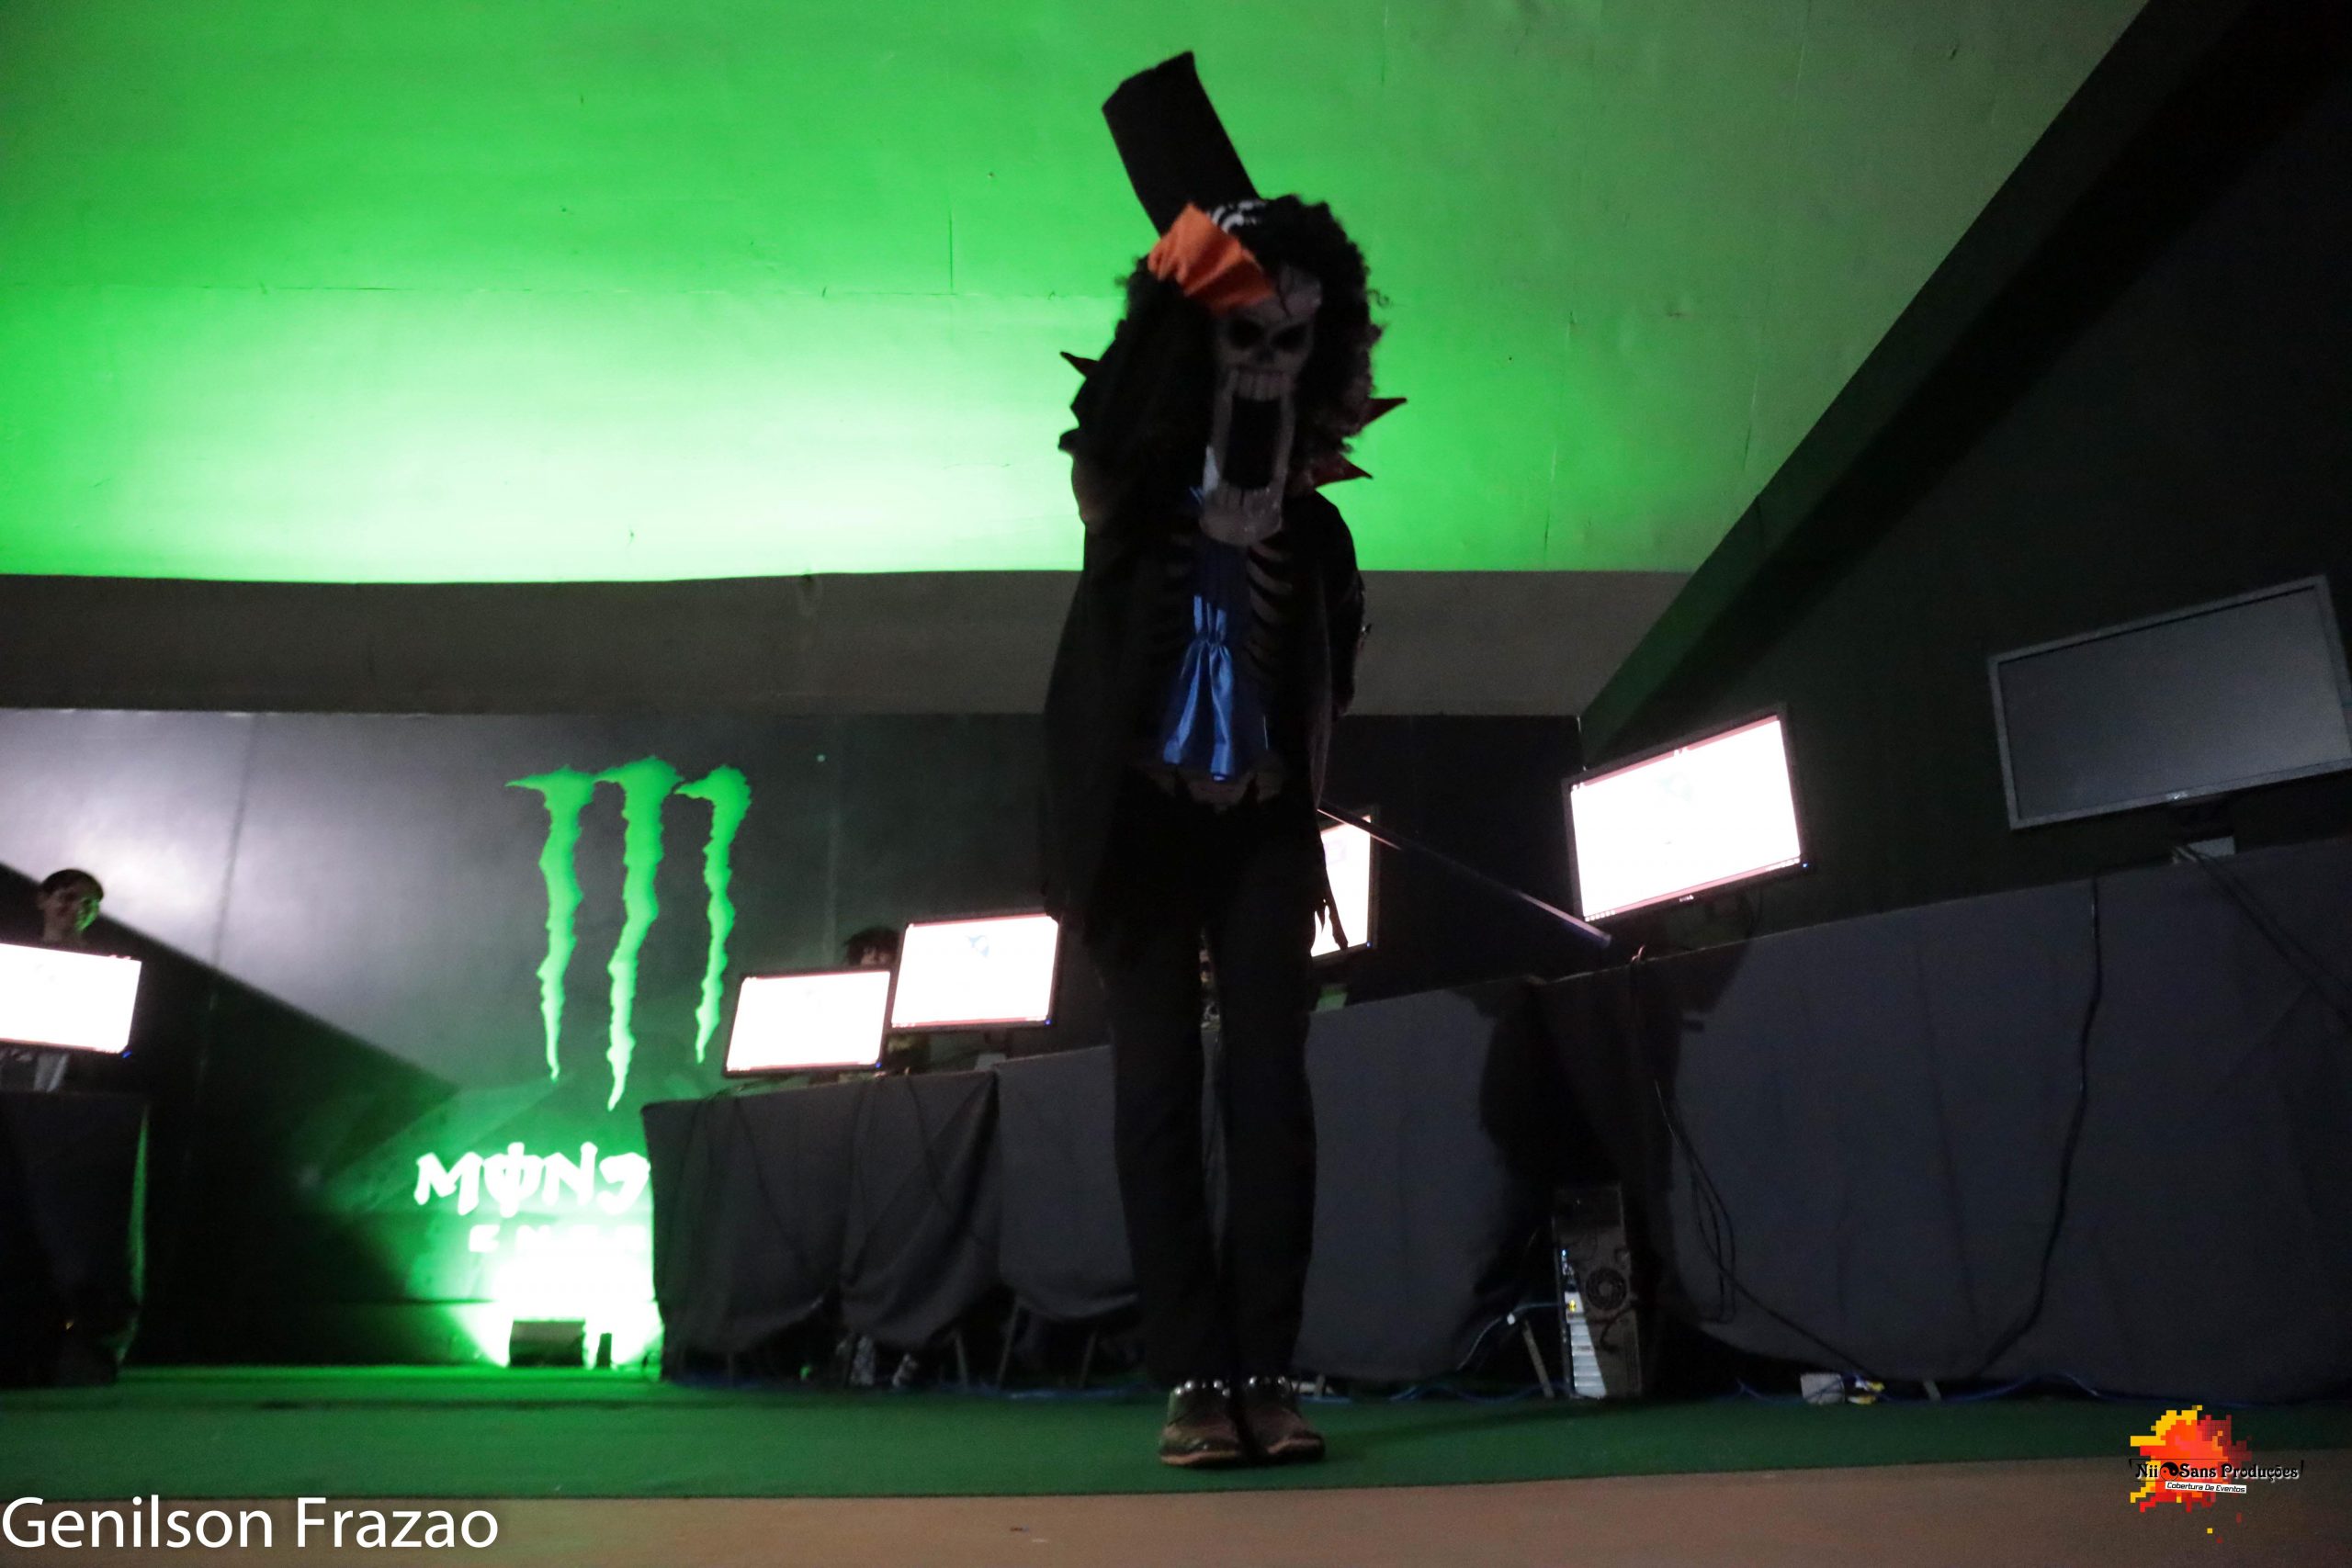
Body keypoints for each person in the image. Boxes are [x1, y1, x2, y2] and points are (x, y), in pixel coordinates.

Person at [1040, 55, 1381, 1468]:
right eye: (1249, 331)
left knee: (1272, 1090)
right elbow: (1115, 425)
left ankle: (1269, 1372)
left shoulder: (1322, 537)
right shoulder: (1128, 498)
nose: (1270, 356)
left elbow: (1324, 685)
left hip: (1258, 829)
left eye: (1295, 337)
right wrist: (1197, 272)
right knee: (1156, 1086)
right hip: (1139, 824)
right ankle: (1194, 1379)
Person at [1, 869, 106, 1093]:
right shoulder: (11, 959)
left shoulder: (109, 969)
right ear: (42, 900)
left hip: (70, 1084)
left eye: (88, 903)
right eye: (67, 897)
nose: (77, 908)